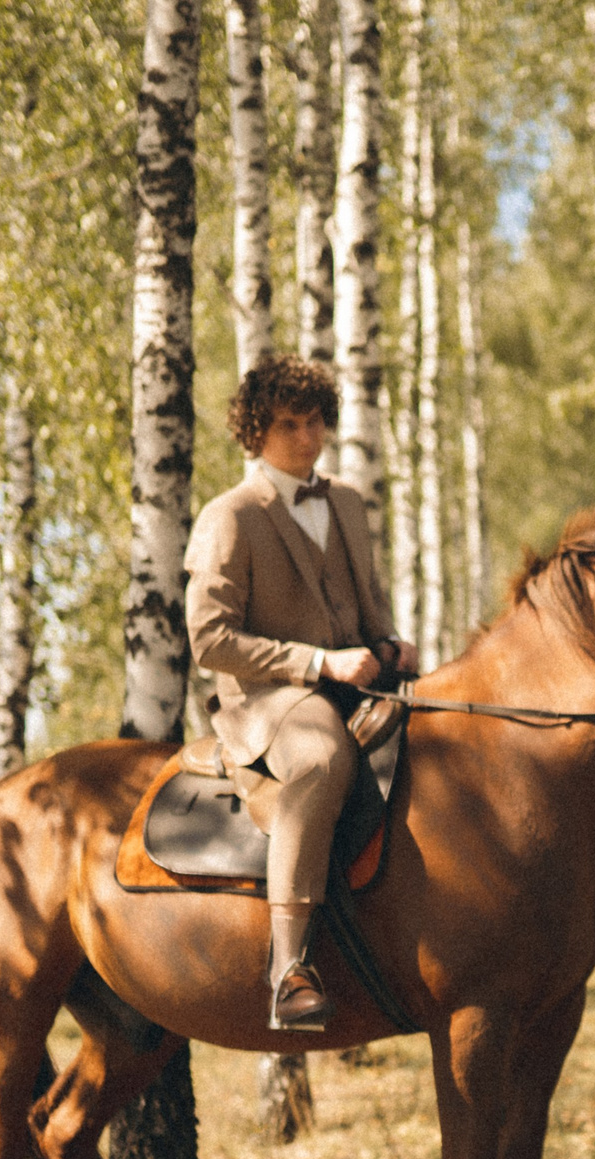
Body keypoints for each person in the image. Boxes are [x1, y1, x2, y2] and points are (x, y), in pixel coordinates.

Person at [187, 356, 418, 1032]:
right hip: (269, 698)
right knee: (322, 761)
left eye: (315, 421)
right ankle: (288, 970)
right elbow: (208, 640)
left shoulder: (345, 500)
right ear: (255, 431)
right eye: (289, 425)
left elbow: (367, 603)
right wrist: (319, 662)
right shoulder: (228, 516)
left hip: (360, 681)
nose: (307, 438)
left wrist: (393, 645)